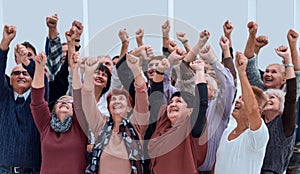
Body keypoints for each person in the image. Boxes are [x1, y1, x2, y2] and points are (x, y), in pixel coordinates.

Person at [72, 50, 149, 173]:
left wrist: (136, 71)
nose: (117, 101)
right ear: (108, 107)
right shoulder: (101, 125)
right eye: (113, 99)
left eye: (121, 99)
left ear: (129, 108)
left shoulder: (137, 126)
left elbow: (142, 99)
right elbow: (87, 103)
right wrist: (89, 74)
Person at [30, 51, 88, 173]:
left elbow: (79, 100)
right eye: (61, 100)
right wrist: (39, 69)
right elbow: (37, 101)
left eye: (70, 102)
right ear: (53, 108)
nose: (65, 102)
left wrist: (75, 69)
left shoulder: (80, 127)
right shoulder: (46, 125)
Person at [148, 57, 208, 174]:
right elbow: (155, 98)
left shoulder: (191, 129)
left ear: (190, 111)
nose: (173, 104)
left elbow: (202, 104)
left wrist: (200, 71)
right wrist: (160, 70)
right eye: (171, 102)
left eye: (179, 101)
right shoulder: (163, 125)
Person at [214, 52, 269, 174]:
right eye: (239, 98)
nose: (238, 101)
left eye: (243, 99)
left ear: (259, 110)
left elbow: (252, 110)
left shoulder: (258, 135)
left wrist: (242, 73)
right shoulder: (227, 131)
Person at [0, 25, 42, 173]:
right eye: (16, 73)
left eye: (25, 73)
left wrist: (27, 62)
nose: (21, 76)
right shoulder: (4, 98)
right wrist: (5, 43)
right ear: (9, 80)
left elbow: (42, 79)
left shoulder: (38, 100)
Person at [261, 46, 297, 174]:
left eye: (273, 97)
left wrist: (287, 59)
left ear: (281, 105)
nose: (268, 100)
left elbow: (292, 95)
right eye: (265, 98)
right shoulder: (258, 122)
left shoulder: (285, 124)